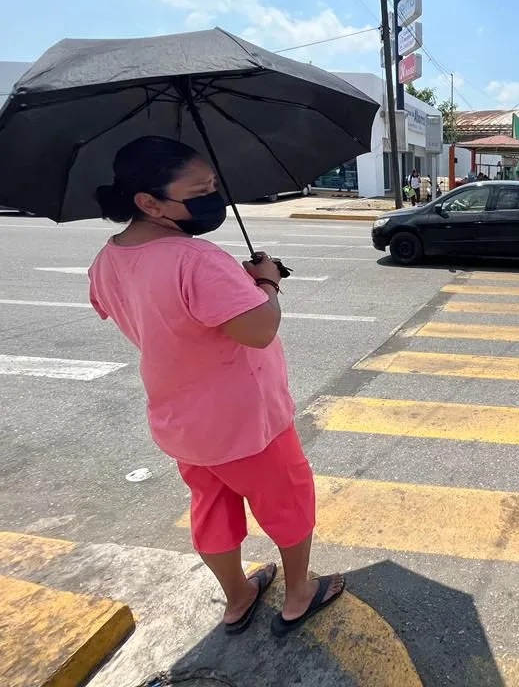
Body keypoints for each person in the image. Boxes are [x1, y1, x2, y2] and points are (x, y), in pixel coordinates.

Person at [88, 136, 344, 638]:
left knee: (211, 507)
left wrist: (236, 286)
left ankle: (237, 596)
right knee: (288, 502)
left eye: (214, 185)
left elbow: (154, 311)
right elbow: (259, 328)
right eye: (200, 190)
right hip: (246, 422)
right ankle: (298, 594)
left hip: (182, 421)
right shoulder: (196, 258)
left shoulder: (108, 258)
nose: (214, 197)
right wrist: (266, 282)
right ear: (149, 202)